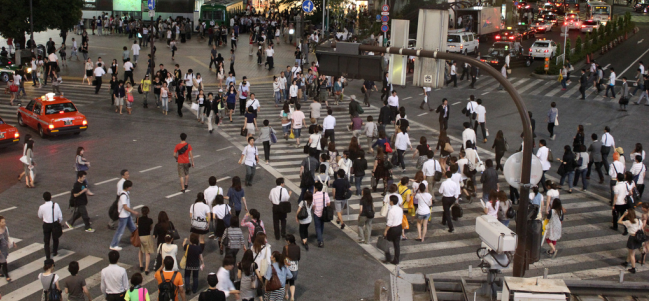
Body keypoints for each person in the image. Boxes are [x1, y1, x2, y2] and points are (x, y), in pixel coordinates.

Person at [110, 180, 140, 251]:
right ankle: (113, 245)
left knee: (133, 228)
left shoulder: (125, 193)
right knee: (120, 231)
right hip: (123, 216)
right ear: (127, 187)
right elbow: (125, 207)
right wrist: (133, 212)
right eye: (130, 187)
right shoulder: (123, 195)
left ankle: (137, 240)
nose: (131, 188)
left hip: (127, 215)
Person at [38, 192, 62, 259]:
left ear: (43, 199)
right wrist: (59, 222)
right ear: (51, 197)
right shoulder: (56, 205)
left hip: (46, 224)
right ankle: (55, 251)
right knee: (55, 238)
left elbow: (39, 216)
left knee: (46, 241)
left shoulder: (41, 207)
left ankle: (47, 255)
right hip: (54, 223)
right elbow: (60, 216)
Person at [384, 195, 403, 264]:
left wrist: (385, 230)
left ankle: (388, 258)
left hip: (392, 229)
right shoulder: (400, 209)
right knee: (397, 245)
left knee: (386, 242)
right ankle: (396, 259)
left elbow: (389, 223)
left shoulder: (391, 211)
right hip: (399, 227)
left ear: (391, 202)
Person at [312, 182, 331, 248]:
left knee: (317, 227)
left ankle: (320, 241)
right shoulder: (325, 194)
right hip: (323, 213)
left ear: (316, 188)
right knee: (322, 225)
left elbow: (313, 206)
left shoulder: (314, 196)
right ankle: (320, 234)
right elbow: (328, 203)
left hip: (316, 213)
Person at [137, 206, 154, 275]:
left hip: (140, 237)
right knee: (147, 253)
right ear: (148, 212)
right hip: (147, 237)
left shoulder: (138, 219)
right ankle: (146, 269)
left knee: (141, 251)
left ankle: (141, 265)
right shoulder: (150, 220)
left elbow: (136, 227)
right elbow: (150, 228)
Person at [282, 235, 300, 301]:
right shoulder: (298, 247)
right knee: (292, 282)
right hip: (294, 267)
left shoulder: (285, 247)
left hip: (287, 267)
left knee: (286, 281)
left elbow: (283, 257)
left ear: (288, 241)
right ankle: (292, 296)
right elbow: (298, 258)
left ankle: (286, 294)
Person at [0, 216, 17, 282]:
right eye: (2, 222)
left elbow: (7, 237)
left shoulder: (5, 228)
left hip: (4, 248)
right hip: (0, 249)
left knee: (1, 261)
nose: (4, 223)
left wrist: (12, 243)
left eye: (4, 222)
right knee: (4, 262)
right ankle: (7, 275)